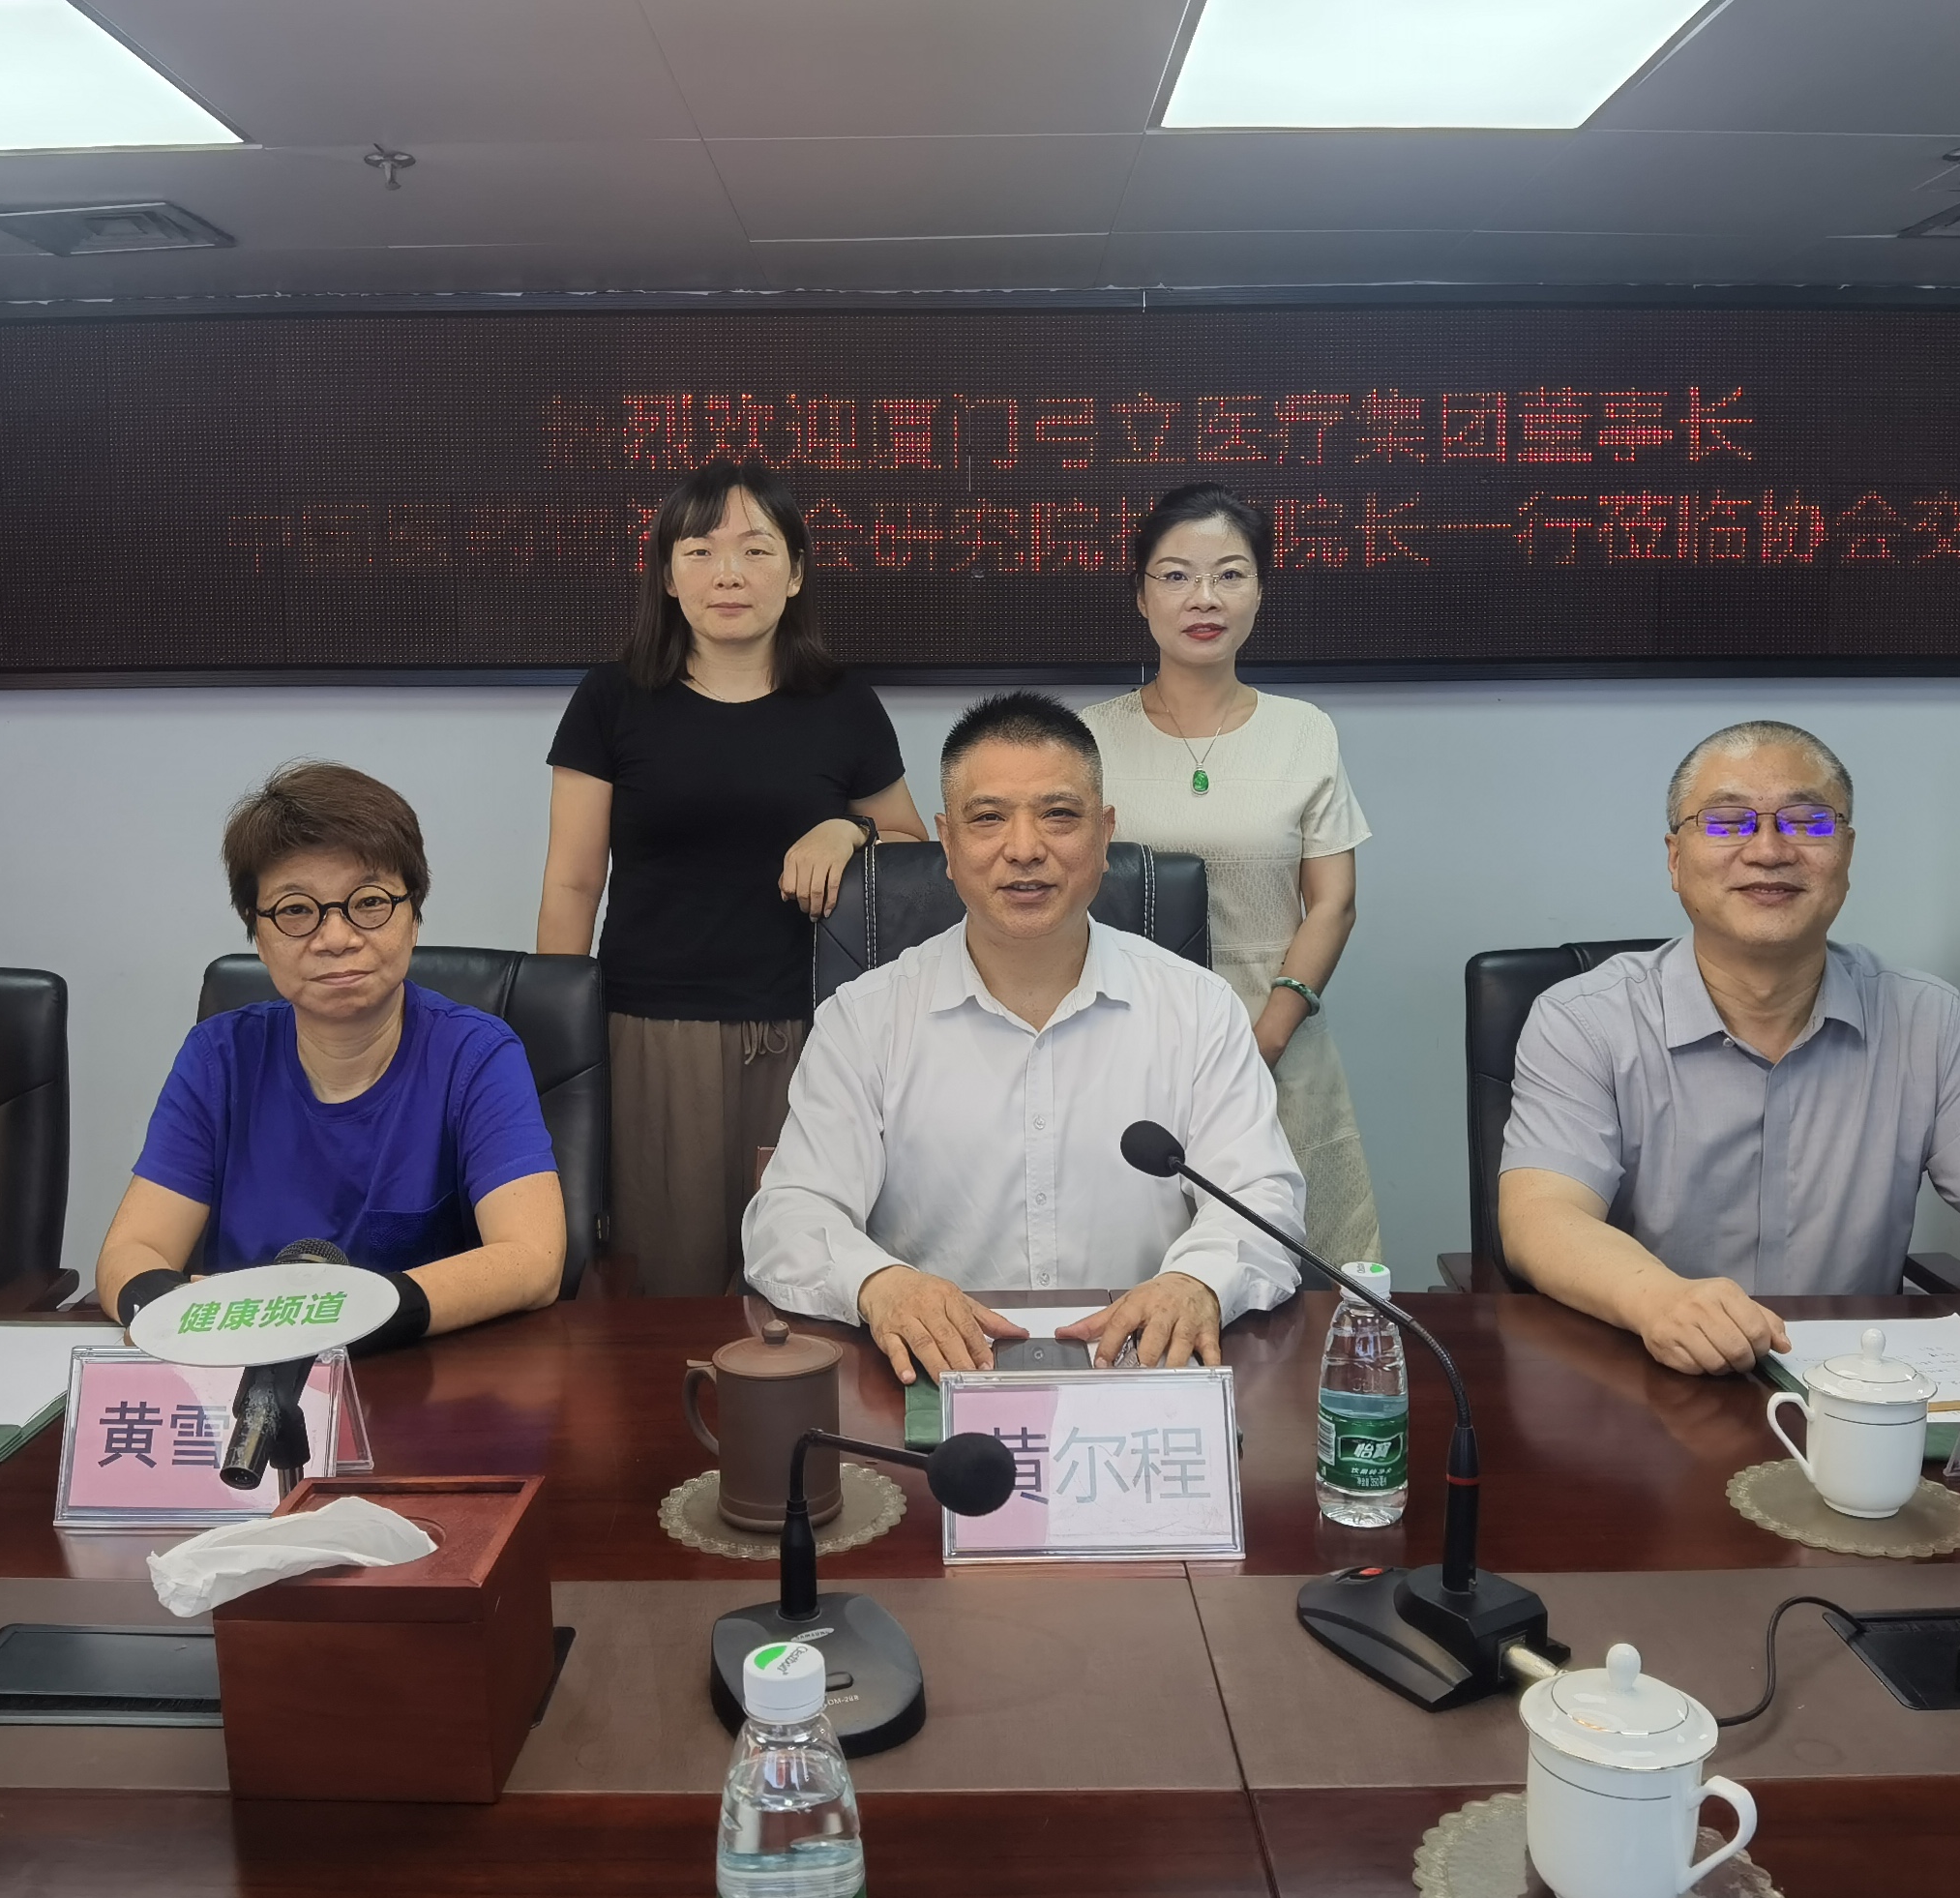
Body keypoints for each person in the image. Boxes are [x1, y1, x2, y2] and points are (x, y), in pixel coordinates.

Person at [1495, 719, 1960, 1376]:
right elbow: (1542, 1216)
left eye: (1809, 822)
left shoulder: (1926, 1019)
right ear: (1675, 859)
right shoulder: (1585, 1021)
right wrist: (1660, 1300)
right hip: (1646, 1374)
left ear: (1846, 854)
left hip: (1860, 1387)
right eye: (1727, 822)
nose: (1769, 850)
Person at [742, 693, 1303, 1383]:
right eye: (988, 818)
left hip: (1142, 1374)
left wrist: (1198, 1282)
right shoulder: (864, 1018)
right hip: (934, 1381)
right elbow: (789, 1215)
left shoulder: (1198, 1008)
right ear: (947, 845)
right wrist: (878, 1284)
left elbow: (1262, 1199)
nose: (1025, 849)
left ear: (1105, 834)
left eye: (1059, 815)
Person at [537, 460, 928, 1294]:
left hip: (809, 1026)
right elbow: (572, 885)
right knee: (663, 1282)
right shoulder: (611, 698)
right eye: (700, 551)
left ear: (795, 573)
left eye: (756, 550)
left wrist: (848, 828)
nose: (728, 574)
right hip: (650, 1031)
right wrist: (554, 1045)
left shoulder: (843, 703)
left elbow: (911, 844)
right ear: (667, 576)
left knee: (802, 1275)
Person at [98, 761, 568, 1348]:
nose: (337, 938)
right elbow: (132, 1249)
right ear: (257, 934)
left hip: (416, 1368)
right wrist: (180, 1312)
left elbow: (532, 1258)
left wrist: (341, 1318)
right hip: (242, 1363)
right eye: (296, 910)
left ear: (414, 917)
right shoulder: (219, 1058)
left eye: (369, 902)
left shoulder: (476, 1055)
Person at [1079, 483, 1381, 1269]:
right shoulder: (1085, 740)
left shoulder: (1304, 731)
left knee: (1295, 1278)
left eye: (1230, 575)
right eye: (1176, 575)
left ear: (1259, 591)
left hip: (1276, 1039)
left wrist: (1264, 1040)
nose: (1204, 598)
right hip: (1122, 1047)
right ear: (1140, 594)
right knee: (1129, 1274)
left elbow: (1334, 903)